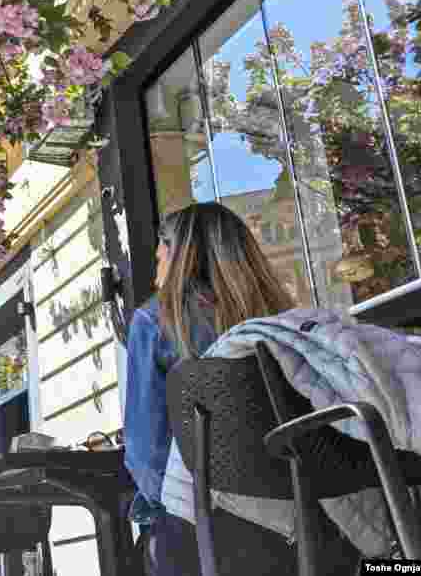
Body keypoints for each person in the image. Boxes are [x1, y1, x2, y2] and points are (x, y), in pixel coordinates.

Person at [121, 202, 359, 576]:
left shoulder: (155, 321)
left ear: (175, 255)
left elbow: (145, 454)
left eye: (158, 258)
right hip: (311, 530)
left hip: (208, 539)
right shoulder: (286, 324)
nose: (156, 272)